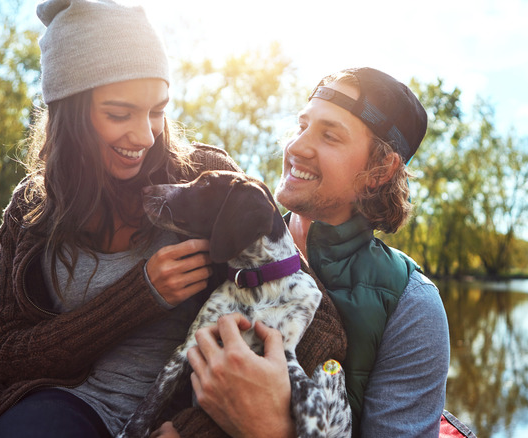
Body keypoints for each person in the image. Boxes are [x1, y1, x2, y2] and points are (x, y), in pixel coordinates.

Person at [0, 1, 345, 437]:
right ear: (70, 112)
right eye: (119, 114)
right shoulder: (31, 209)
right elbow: (3, 359)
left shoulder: (207, 181)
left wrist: (195, 430)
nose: (145, 135)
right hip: (62, 407)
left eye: (157, 111)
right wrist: (139, 295)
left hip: (172, 417)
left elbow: (322, 325)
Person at [178, 68, 450, 437]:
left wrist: (271, 429)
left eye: (329, 136)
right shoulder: (219, 243)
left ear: (381, 169)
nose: (296, 147)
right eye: (302, 126)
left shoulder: (412, 306)